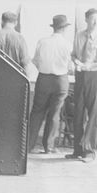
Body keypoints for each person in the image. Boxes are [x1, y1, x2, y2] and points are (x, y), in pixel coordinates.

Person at [67, 7, 97, 163]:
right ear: (86, 20)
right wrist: (77, 61)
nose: (95, 22)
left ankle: (89, 151)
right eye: (92, 19)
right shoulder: (79, 35)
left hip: (95, 76)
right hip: (80, 75)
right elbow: (74, 54)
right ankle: (77, 149)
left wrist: (95, 66)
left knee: (93, 113)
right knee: (78, 112)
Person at [28, 14, 73, 154]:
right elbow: (70, 66)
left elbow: (35, 61)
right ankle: (49, 146)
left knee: (37, 112)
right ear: (64, 28)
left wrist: (44, 69)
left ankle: (28, 145)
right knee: (54, 113)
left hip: (44, 79)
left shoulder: (43, 41)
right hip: (60, 81)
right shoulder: (67, 44)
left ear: (54, 27)